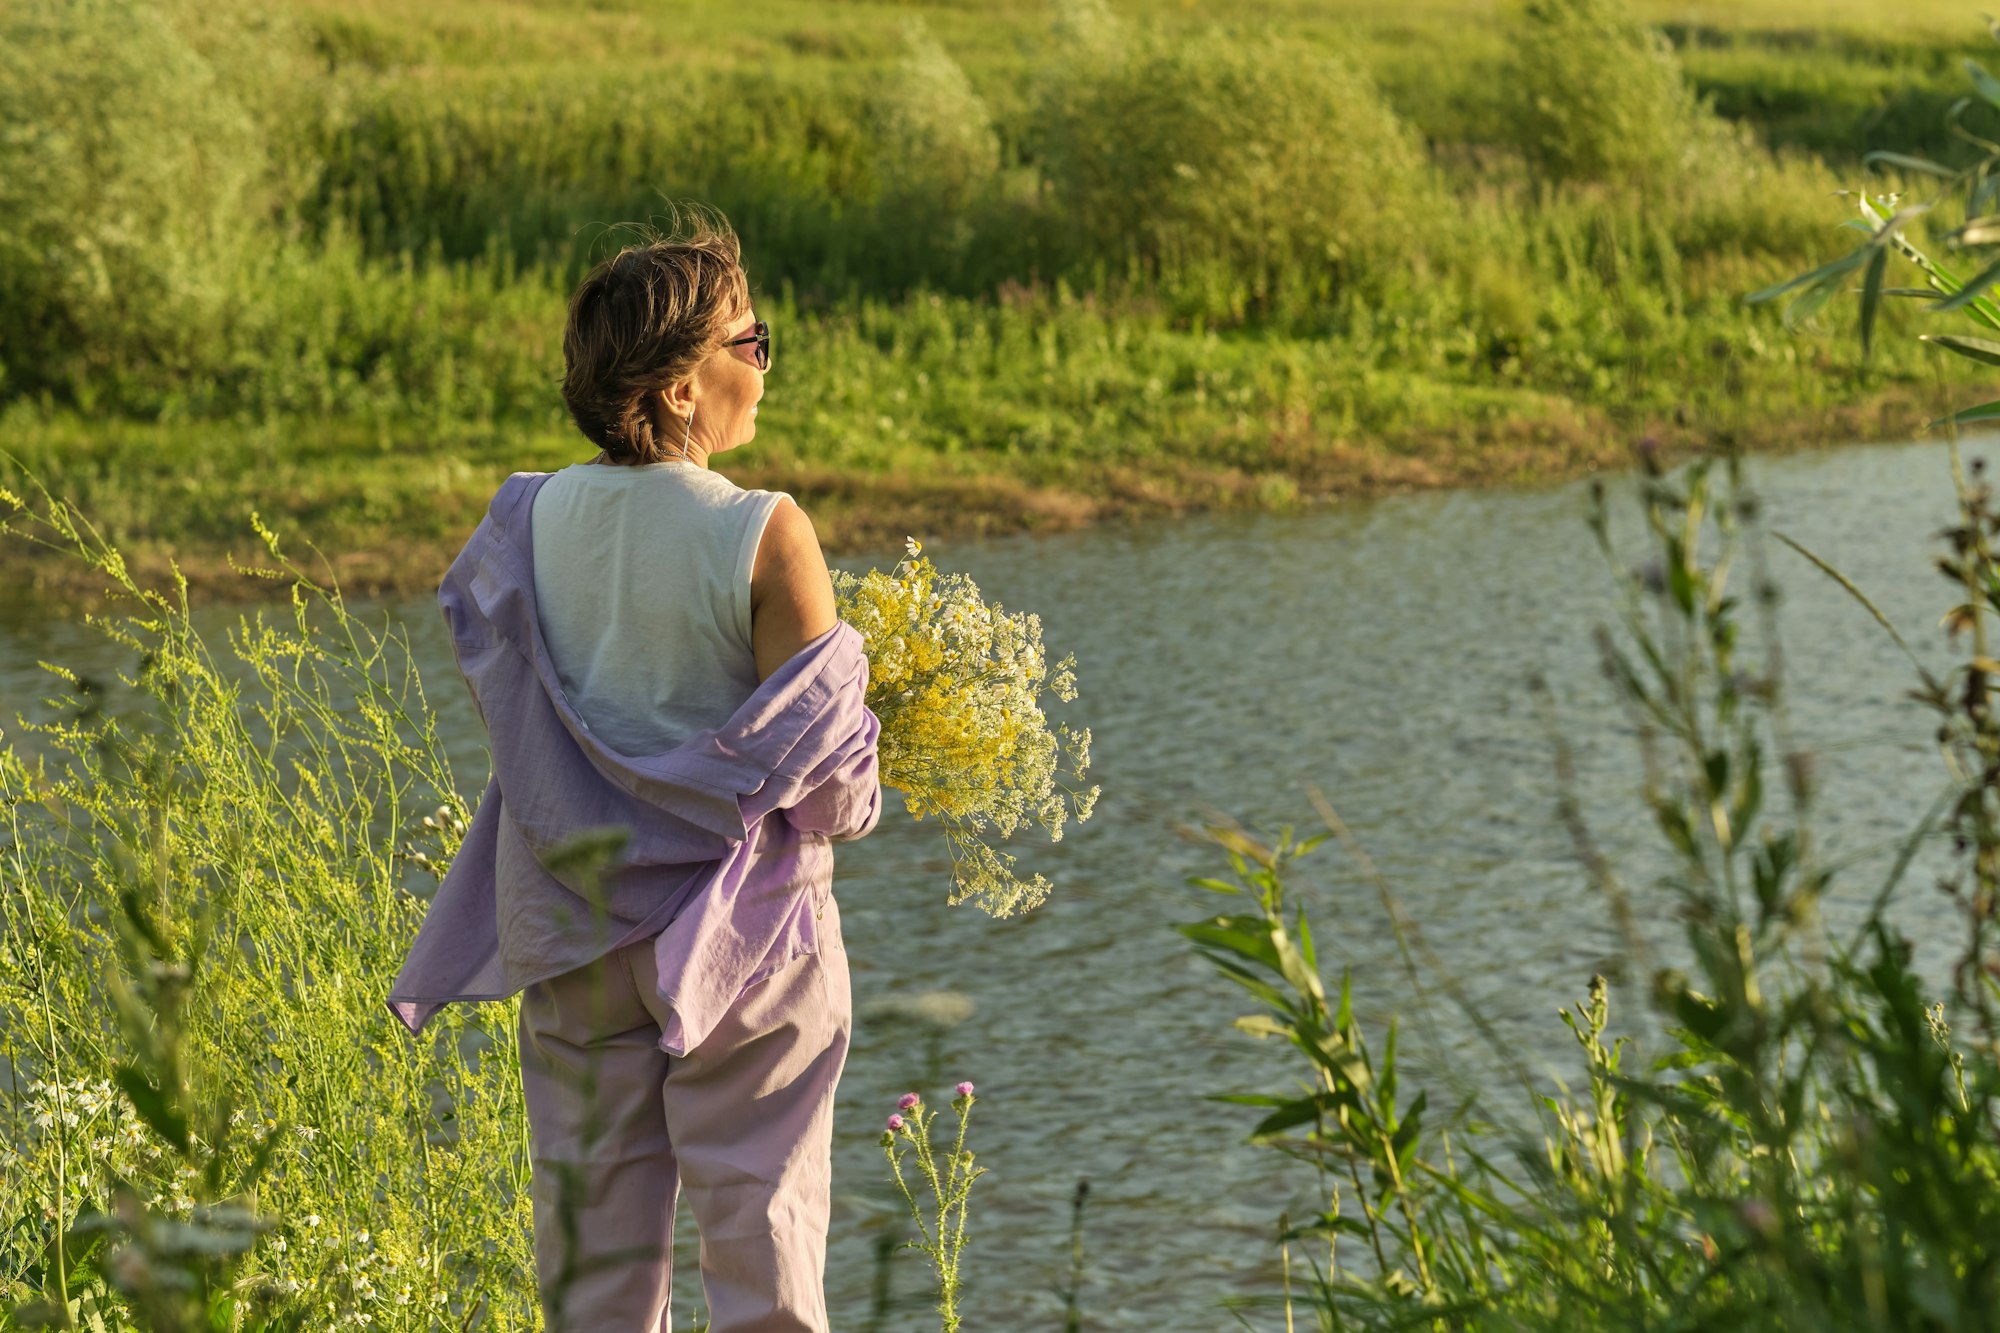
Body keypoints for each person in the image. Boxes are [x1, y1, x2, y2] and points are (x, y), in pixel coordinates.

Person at [387, 207, 882, 1332]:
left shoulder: (522, 518)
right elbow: (831, 793)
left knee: (594, 1270)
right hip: (745, 939)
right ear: (673, 389)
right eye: (748, 345)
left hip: (572, 915)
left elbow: (516, 709)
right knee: (762, 1236)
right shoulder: (766, 532)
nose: (763, 366)